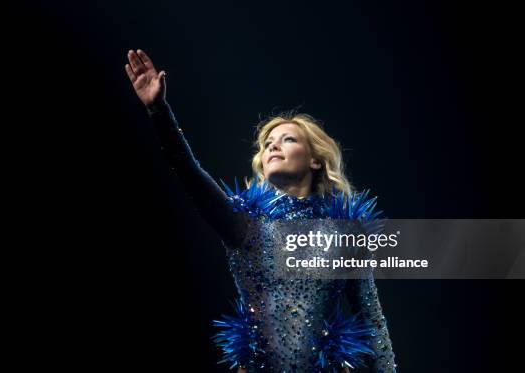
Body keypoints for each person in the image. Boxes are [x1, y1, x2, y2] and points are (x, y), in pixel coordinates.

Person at [125, 49, 397, 373]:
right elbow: (189, 173)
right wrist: (159, 111)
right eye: (268, 142)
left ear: (315, 160)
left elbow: (372, 322)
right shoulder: (246, 225)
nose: (273, 145)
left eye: (288, 139)